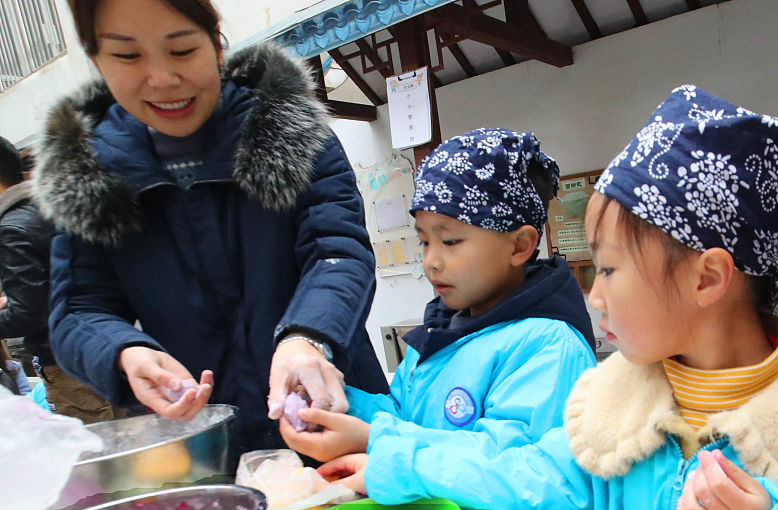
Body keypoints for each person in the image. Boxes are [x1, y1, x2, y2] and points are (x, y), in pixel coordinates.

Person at [319, 87, 778, 510]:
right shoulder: (613, 412)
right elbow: (522, 475)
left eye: (611, 270)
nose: (593, 298)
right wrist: (391, 461)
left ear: (706, 278)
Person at [35, 0, 387, 453]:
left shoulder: (289, 128)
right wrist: (126, 352)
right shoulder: (86, 170)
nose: (162, 79)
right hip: (200, 442)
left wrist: (307, 339)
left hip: (333, 414)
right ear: (95, 59)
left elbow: (337, 252)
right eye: (127, 56)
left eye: (181, 51)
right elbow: (78, 307)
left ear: (216, 43)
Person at [280, 128, 596, 463]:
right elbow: (403, 415)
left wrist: (376, 440)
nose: (431, 261)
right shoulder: (441, 331)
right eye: (425, 242)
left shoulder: (548, 346)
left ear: (519, 245)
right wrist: (333, 401)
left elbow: (511, 467)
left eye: (450, 242)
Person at [0, 137, 122, 422]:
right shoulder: (48, 209)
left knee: (95, 456)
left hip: (68, 363)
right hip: (102, 348)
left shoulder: (10, 229)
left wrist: (13, 308)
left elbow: (29, 314)